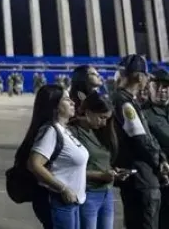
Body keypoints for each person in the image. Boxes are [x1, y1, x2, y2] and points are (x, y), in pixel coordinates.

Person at [19, 85, 88, 229]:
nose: (73, 102)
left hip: (71, 201)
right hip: (58, 200)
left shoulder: (63, 130)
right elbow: (34, 164)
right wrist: (63, 188)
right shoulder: (51, 131)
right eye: (67, 100)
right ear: (55, 105)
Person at [113, 54, 169, 229]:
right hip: (143, 178)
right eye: (146, 76)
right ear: (139, 77)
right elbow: (141, 139)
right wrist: (160, 161)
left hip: (142, 178)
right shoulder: (124, 102)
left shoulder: (127, 100)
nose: (147, 80)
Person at [71, 91, 127, 229]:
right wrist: (100, 175)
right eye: (102, 117)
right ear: (88, 112)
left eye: (107, 118)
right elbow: (68, 171)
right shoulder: (73, 133)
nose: (104, 123)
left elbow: (101, 161)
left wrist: (113, 172)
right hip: (88, 194)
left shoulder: (99, 132)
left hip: (106, 193)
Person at [143, 68, 169, 229]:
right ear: (149, 87)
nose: (162, 90)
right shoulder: (143, 114)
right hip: (159, 180)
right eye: (156, 86)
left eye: (165, 86)